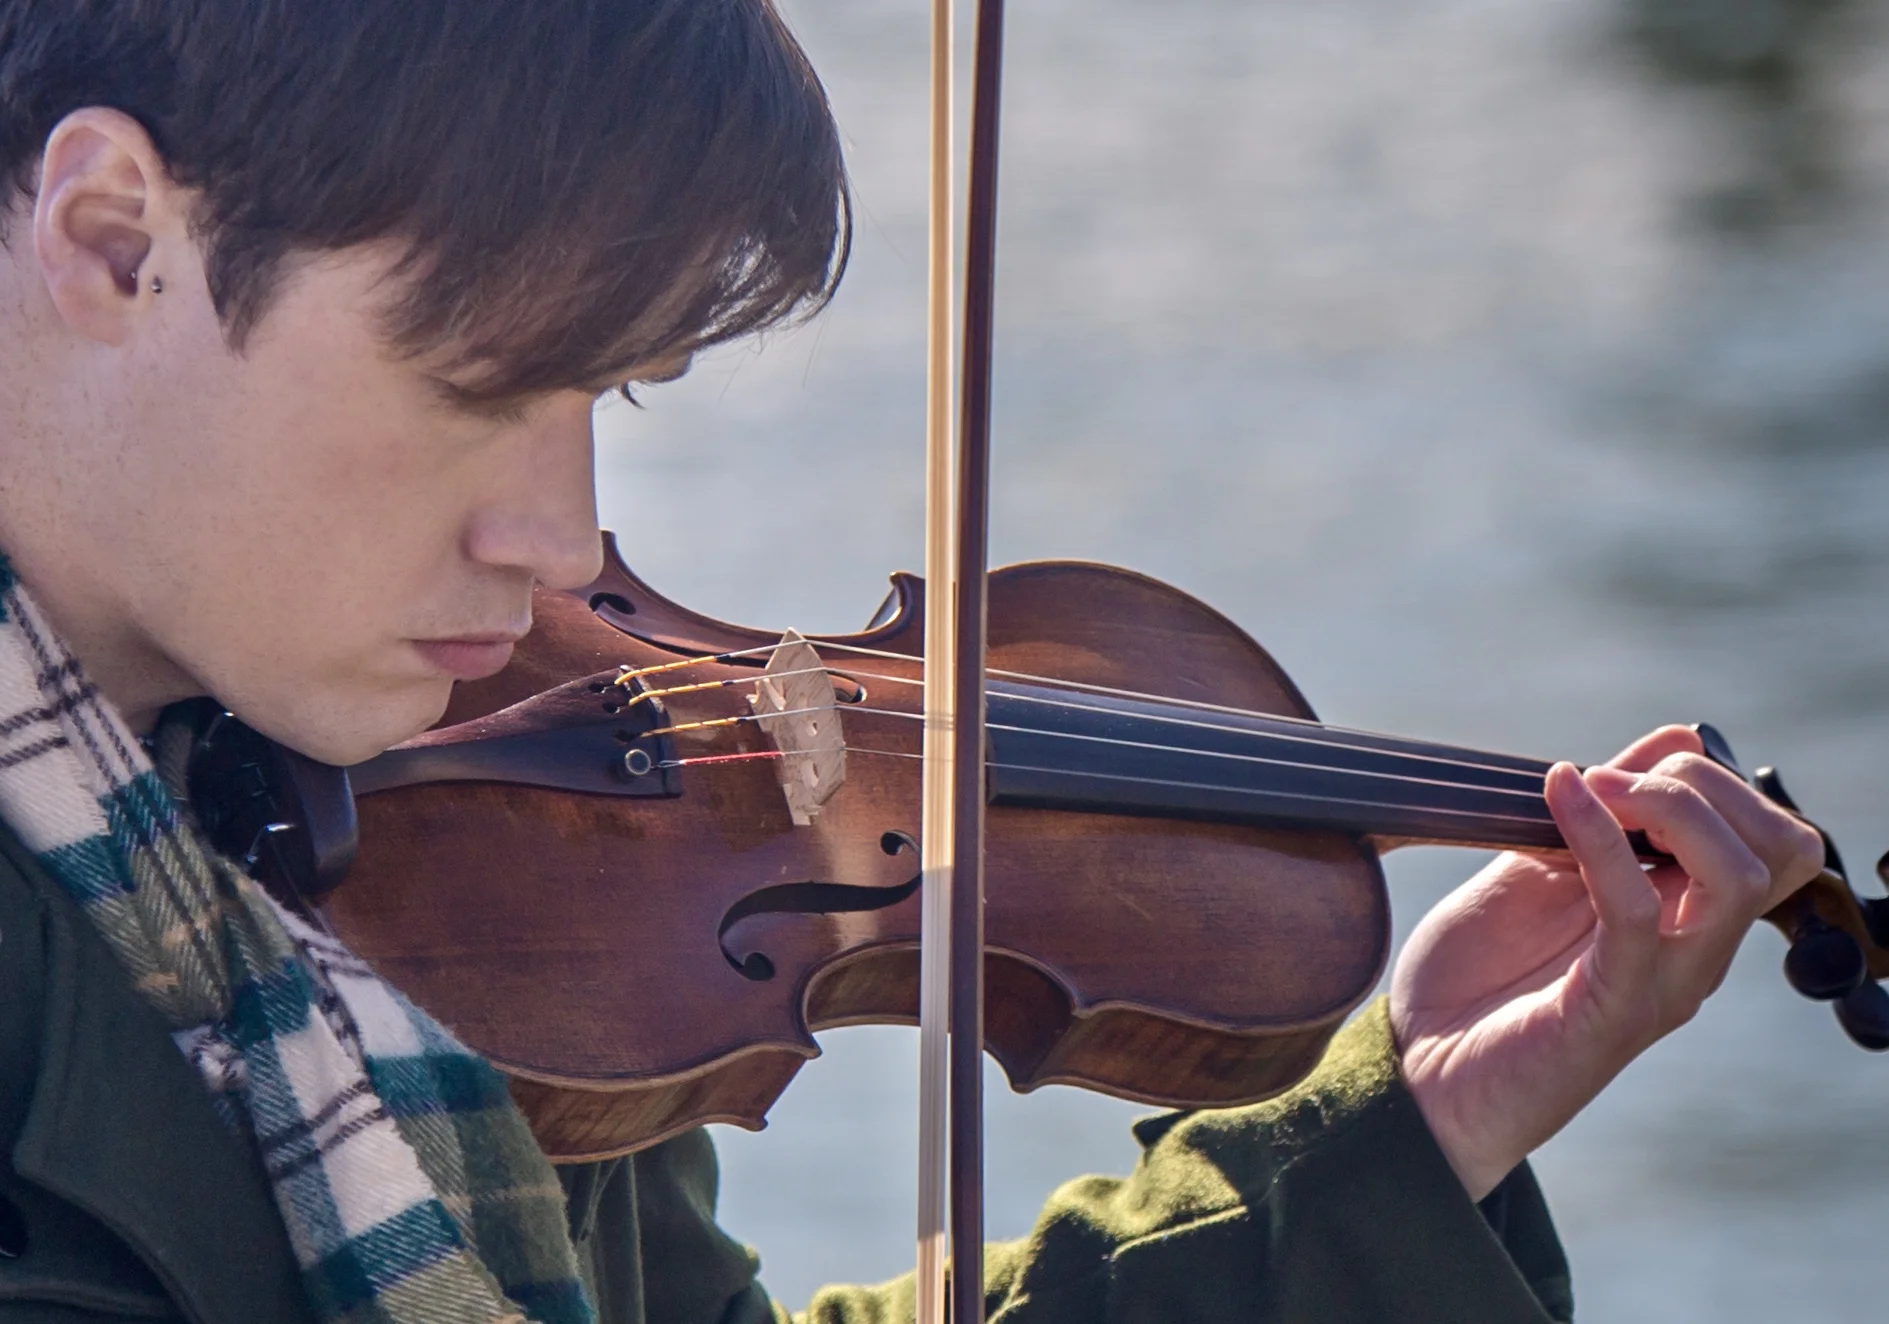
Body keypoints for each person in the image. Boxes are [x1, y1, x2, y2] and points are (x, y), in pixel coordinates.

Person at [0, 3, 1826, 1322]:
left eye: (604, 392)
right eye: (476, 388)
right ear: (113, 241)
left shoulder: (478, 877)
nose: (560, 542)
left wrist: (1417, 1127)